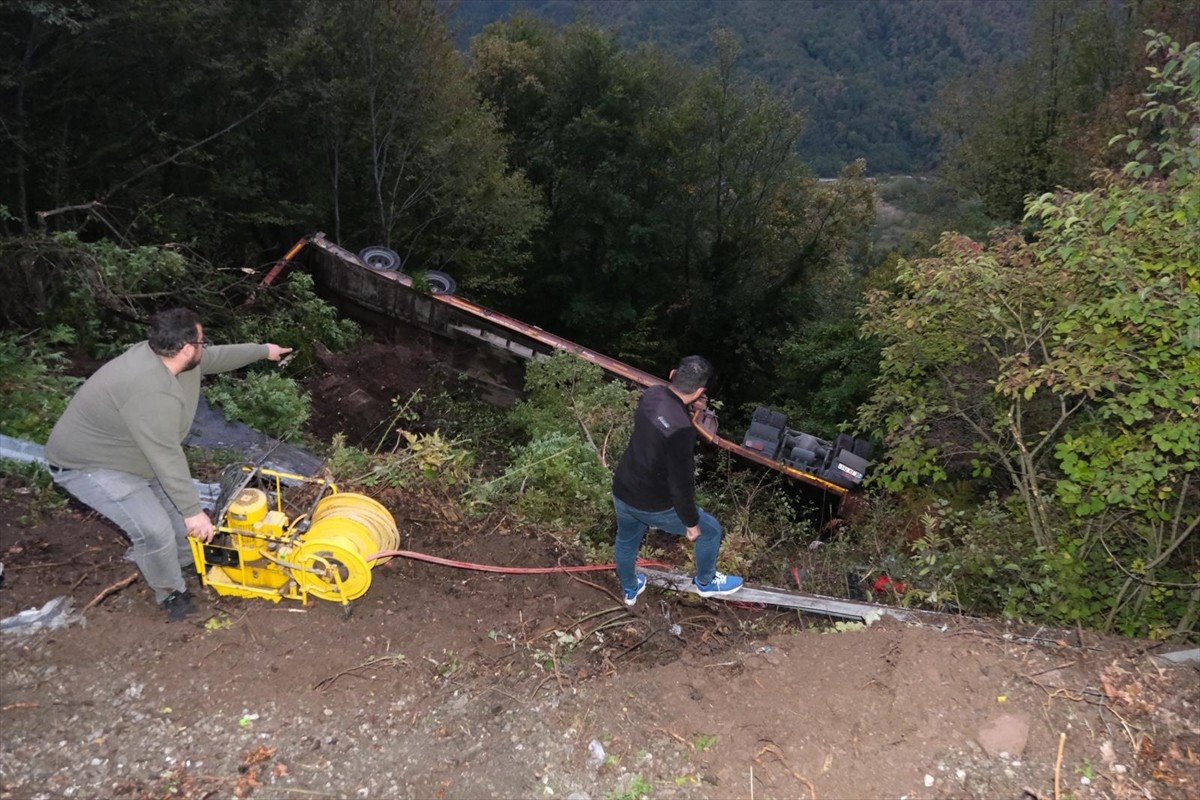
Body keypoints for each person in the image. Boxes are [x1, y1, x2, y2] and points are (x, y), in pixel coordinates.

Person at [44, 308, 293, 621]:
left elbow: (215, 357)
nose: (205, 347)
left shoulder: (174, 359)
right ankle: (172, 594)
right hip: (90, 465)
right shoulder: (148, 389)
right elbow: (165, 453)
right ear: (187, 348)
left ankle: (186, 563)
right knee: (155, 530)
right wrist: (193, 511)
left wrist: (263, 351)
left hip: (136, 455)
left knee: (178, 521)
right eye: (202, 342)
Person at [611, 355, 743, 606]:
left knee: (626, 540)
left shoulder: (652, 395)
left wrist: (689, 408)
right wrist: (691, 523)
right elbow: (681, 484)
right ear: (701, 391)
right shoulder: (682, 430)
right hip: (652, 503)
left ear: (672, 374)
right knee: (711, 530)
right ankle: (706, 582)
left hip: (623, 488)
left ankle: (630, 588)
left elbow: (664, 415)